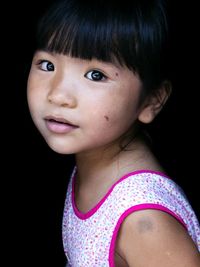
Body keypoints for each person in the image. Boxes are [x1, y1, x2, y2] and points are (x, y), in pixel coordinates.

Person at [27, 0, 200, 266]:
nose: (58, 94)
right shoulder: (94, 163)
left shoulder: (144, 219)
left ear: (152, 100)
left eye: (96, 75)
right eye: (47, 65)